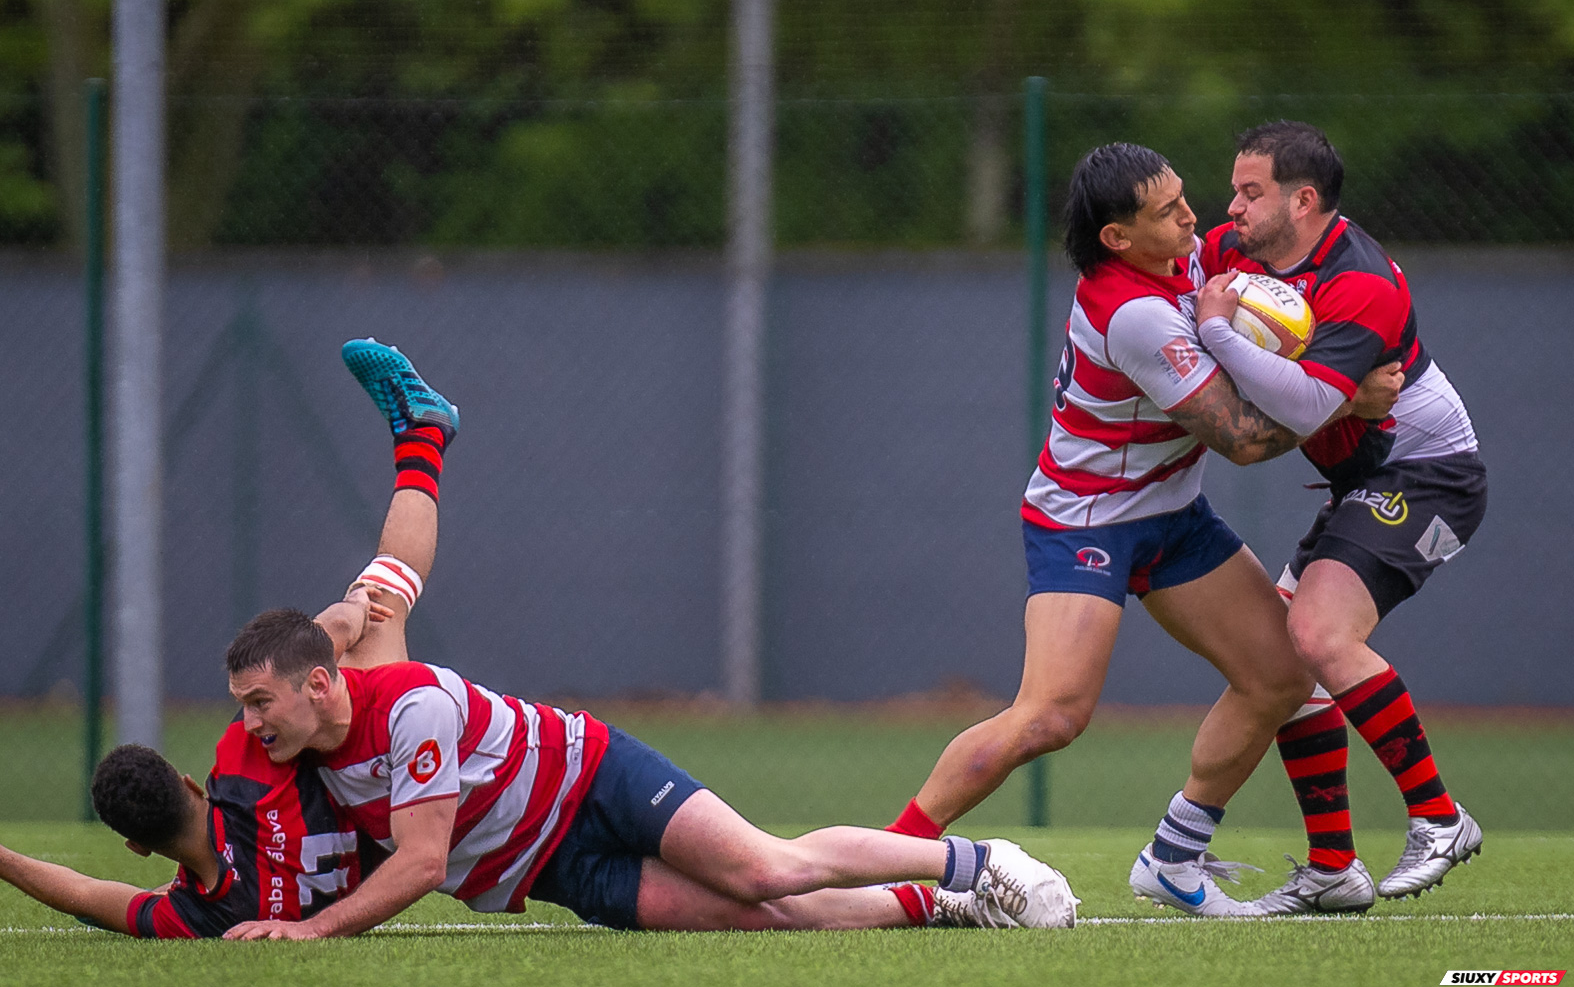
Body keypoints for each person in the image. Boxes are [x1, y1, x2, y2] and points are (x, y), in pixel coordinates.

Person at [219, 339, 1078, 938]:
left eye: (262, 702)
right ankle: (422, 435)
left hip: (592, 780)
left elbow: (419, 864)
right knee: (759, 919)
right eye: (246, 706)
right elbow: (362, 608)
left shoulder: (406, 707)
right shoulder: (324, 700)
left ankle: (976, 862)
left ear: (320, 685)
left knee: (767, 873)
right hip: (554, 871)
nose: (252, 723)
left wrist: (314, 931)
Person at [877, 144, 1401, 917]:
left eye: (1187, 197)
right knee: (1051, 716)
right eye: (1168, 211)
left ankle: (1175, 856)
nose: (1194, 216)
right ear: (1119, 239)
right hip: (1086, 520)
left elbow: (1274, 260)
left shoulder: (1188, 259)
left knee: (1283, 676)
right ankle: (892, 852)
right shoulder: (1136, 316)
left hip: (1172, 514)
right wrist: (1348, 397)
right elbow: (1245, 441)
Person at [1194, 121, 1485, 914]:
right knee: (1291, 666)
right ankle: (1332, 868)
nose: (1232, 207)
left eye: (1251, 192)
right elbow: (1174, 294)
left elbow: (1303, 405)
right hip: (1360, 481)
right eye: (1234, 189)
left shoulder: (1361, 282)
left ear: (1305, 199)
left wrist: (1219, 330)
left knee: (1320, 636)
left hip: (1429, 477)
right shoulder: (1231, 248)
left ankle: (1438, 816)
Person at [0, 720, 375, 938]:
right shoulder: (248, 775)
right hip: (417, 803)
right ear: (189, 783)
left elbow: (85, 896)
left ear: (137, 847)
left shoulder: (192, 915)